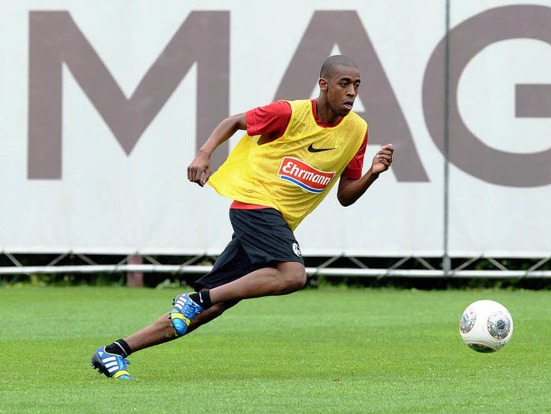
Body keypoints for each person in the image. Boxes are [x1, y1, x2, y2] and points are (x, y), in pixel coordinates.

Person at [90, 54, 394, 379]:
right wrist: (204, 153)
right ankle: (195, 298)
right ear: (324, 85)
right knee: (293, 275)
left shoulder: (356, 130)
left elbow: (345, 195)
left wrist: (373, 173)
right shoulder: (290, 113)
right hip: (254, 203)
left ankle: (114, 351)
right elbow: (234, 121)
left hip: (275, 219)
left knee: (215, 307)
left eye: (357, 85)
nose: (351, 92)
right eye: (344, 83)